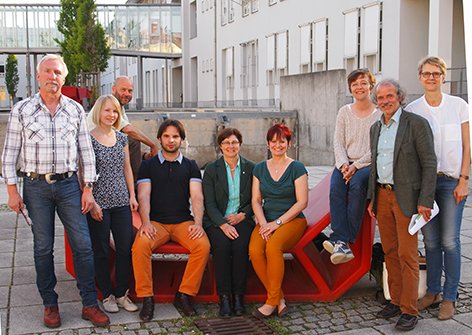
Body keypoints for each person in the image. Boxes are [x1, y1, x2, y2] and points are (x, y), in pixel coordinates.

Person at [1, 54, 110, 328]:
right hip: (36, 187)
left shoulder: (75, 110)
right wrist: (12, 191)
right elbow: (9, 154)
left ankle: (89, 303)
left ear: (64, 77)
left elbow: (86, 153)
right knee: (42, 248)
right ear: (38, 76)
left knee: (83, 246)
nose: (53, 77)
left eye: (58, 72)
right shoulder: (22, 110)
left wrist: (88, 188)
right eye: (48, 71)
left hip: (70, 186)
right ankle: (50, 304)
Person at [367, 79, 437, 331]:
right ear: (376, 101)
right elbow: (374, 165)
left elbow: (429, 164)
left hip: (407, 200)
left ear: (399, 97)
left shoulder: (416, 124)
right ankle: (395, 301)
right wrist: (372, 199)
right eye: (381, 97)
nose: (385, 101)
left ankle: (410, 309)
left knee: (407, 255)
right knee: (390, 252)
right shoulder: (375, 128)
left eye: (390, 96)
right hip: (382, 197)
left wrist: (425, 200)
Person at [407, 56, 470, 320]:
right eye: (426, 73)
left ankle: (450, 297)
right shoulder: (413, 109)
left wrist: (464, 180)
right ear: (420, 77)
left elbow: (468, 146)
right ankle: (432, 292)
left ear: (444, 77)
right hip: (426, 185)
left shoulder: (459, 106)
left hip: (453, 182)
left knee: (450, 242)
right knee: (430, 241)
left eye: (436, 73)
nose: (431, 77)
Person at [132, 119, 211, 321]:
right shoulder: (148, 165)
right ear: (159, 138)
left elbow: (197, 196)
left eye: (175, 136)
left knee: (202, 245)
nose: (170, 140)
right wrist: (146, 223)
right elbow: (143, 196)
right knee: (140, 246)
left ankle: (184, 294)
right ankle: (147, 297)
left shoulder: (191, 166)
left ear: (181, 140)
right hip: (156, 223)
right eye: (166, 136)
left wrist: (198, 224)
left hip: (183, 222)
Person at [249, 124, 309, 318]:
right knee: (254, 250)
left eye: (282, 141)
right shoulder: (259, 168)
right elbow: (256, 201)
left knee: (273, 247)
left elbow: (302, 202)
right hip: (266, 220)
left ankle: (271, 301)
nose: (278, 145)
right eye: (273, 141)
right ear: (268, 144)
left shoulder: (297, 168)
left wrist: (277, 224)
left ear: (288, 143)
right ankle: (279, 298)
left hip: (292, 220)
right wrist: (264, 223)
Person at [86, 95, 139, 314]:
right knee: (101, 251)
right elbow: (83, 172)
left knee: (125, 249)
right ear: (99, 112)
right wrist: (92, 203)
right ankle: (106, 294)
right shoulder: (88, 138)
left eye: (115, 111)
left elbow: (127, 168)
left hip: (121, 202)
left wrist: (132, 195)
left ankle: (121, 293)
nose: (111, 115)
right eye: (107, 110)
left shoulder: (121, 139)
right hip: (99, 203)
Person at [323, 68, 381, 264]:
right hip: (344, 163)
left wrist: (355, 166)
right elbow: (337, 142)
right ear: (350, 88)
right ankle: (341, 241)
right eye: (355, 84)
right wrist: (343, 166)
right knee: (335, 189)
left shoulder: (378, 114)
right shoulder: (344, 112)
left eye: (363, 83)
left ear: (371, 86)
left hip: (367, 165)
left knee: (356, 186)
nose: (359, 87)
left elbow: (376, 148)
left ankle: (342, 240)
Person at [203, 128, 255, 317]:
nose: (230, 146)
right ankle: (224, 298)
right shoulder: (211, 169)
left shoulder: (251, 168)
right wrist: (222, 224)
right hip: (217, 221)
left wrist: (243, 215)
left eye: (234, 142)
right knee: (222, 246)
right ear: (220, 146)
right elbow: (208, 203)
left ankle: (239, 297)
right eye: (226, 143)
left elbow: (257, 200)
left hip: (242, 219)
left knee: (241, 246)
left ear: (240, 144)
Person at [87, 76, 158, 180]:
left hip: (107, 149)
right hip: (96, 151)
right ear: (113, 89)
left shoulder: (120, 109)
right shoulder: (108, 103)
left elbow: (124, 141)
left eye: (130, 91)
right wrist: (153, 145)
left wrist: (143, 155)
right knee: (133, 140)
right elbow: (129, 131)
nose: (127, 94)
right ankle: (136, 184)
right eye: (123, 90)